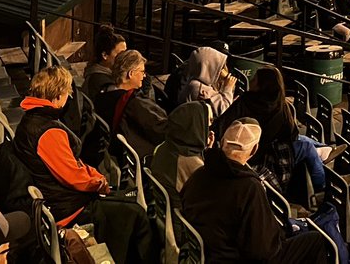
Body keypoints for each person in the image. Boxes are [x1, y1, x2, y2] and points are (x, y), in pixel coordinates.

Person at [13, 67, 158, 264]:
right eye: (67, 93)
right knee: (137, 214)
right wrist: (99, 182)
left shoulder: (30, 120)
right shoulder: (48, 131)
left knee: (127, 202)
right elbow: (72, 177)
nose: (69, 97)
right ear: (57, 96)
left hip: (58, 198)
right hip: (67, 208)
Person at [181, 119, 329, 264]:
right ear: (254, 149)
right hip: (231, 256)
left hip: (208, 251)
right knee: (315, 240)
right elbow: (263, 251)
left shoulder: (199, 173)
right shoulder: (249, 187)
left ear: (222, 141)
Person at [213, 67, 328, 199]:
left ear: (262, 84)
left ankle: (322, 149)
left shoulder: (244, 101)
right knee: (305, 145)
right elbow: (292, 135)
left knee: (304, 143)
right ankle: (321, 183)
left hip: (250, 152)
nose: (251, 80)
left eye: (255, 79)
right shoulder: (281, 106)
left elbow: (220, 125)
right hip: (272, 156)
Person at [94, 50, 168, 158]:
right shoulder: (134, 102)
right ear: (131, 73)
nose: (144, 76)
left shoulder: (102, 92)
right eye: (142, 72)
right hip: (134, 157)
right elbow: (161, 129)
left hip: (109, 151)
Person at [151, 101, 213, 197]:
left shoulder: (165, 146)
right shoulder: (193, 164)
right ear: (196, 125)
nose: (209, 128)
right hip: (180, 209)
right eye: (208, 121)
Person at [176, 46, 238, 118]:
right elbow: (223, 111)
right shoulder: (200, 89)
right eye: (220, 68)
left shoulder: (196, 83)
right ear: (210, 67)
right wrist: (228, 88)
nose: (223, 72)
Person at [82, 24, 126, 98]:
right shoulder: (101, 82)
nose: (125, 57)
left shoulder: (110, 73)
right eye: (121, 54)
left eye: (126, 52)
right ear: (105, 55)